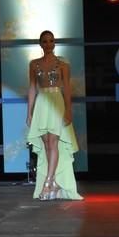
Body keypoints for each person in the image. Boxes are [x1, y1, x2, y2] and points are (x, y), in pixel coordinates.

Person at [26, 30, 83, 201]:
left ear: (54, 43)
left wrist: (68, 110)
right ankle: (53, 182)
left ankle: (48, 183)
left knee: (53, 142)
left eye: (51, 41)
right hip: (42, 104)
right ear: (40, 44)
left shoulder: (63, 65)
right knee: (46, 144)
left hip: (57, 102)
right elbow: (32, 89)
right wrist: (29, 113)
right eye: (45, 41)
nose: (48, 44)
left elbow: (66, 88)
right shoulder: (33, 64)